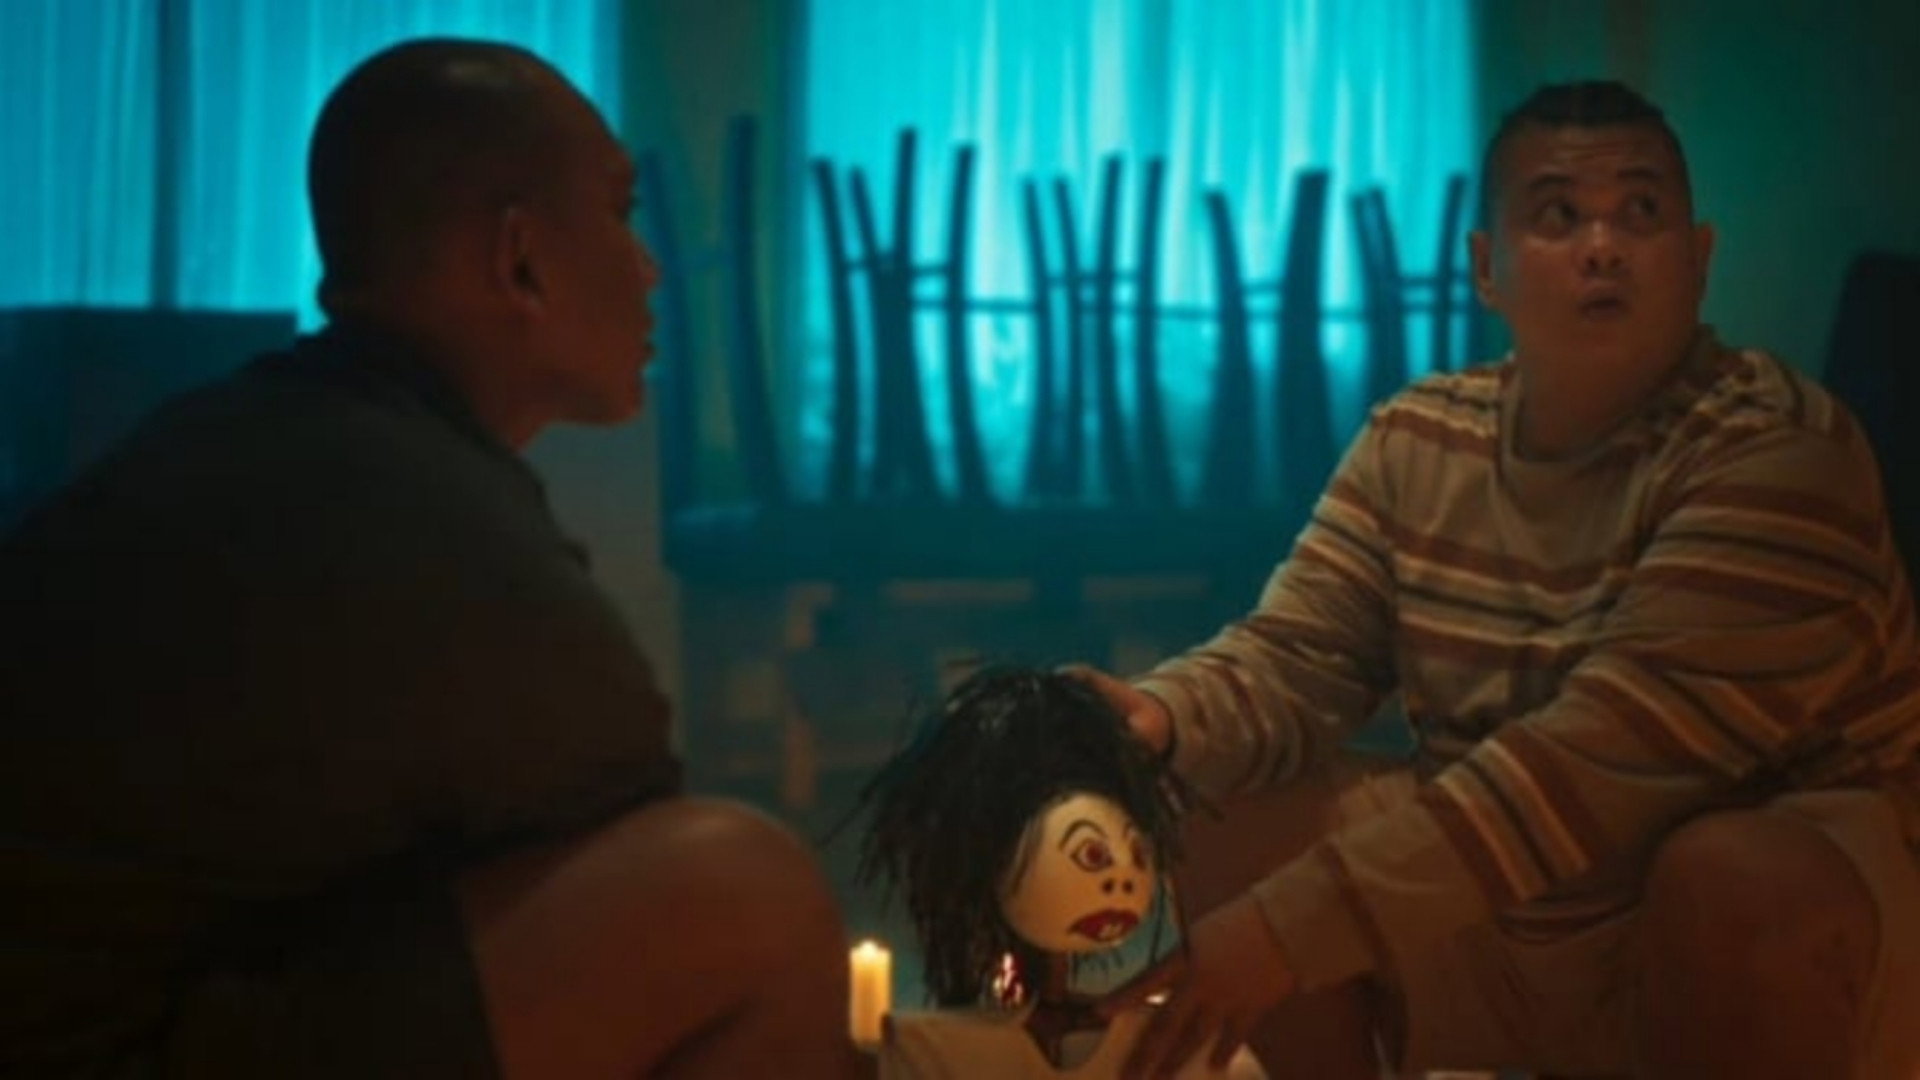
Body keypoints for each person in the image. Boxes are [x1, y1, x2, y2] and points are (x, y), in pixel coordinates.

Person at [0, 39, 868, 1079]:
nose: (649, 268)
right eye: (619, 214)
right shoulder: (394, 504)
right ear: (520, 259)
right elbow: (629, 800)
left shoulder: (271, 434)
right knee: (740, 896)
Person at [1075, 80, 1920, 1080]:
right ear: (1487, 268)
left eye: (1640, 212)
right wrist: (1161, 718)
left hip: (1759, 930)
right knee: (1223, 802)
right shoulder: (1420, 436)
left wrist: (1271, 938)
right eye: (1558, 215)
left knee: (1737, 876)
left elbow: (1597, 764)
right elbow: (1298, 654)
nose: (1602, 246)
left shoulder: (1780, 451)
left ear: (1698, 259)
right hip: (1512, 916)